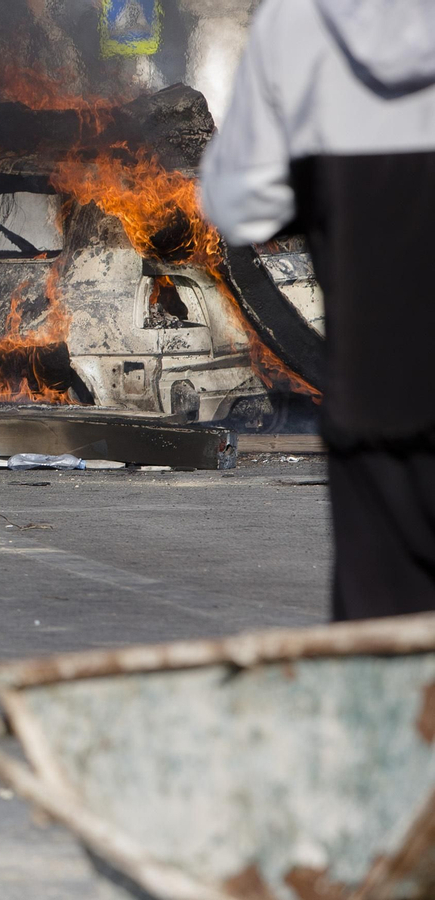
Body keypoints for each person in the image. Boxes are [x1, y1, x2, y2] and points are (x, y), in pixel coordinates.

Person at [201, 0, 435, 621]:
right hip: (379, 418)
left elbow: (239, 204)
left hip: (381, 413)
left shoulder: (297, 21)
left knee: (383, 668)